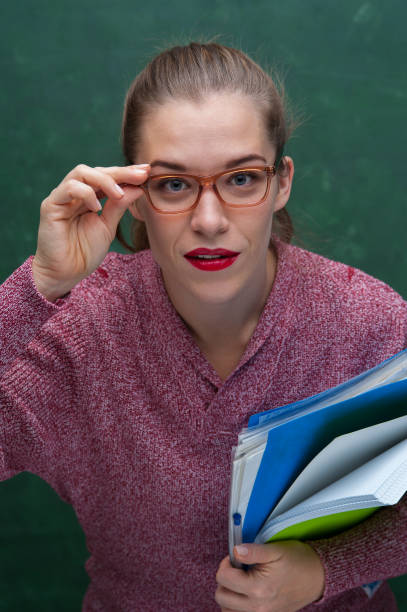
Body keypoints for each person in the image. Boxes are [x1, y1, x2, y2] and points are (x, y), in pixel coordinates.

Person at [1, 41, 406, 612]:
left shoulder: (370, 324)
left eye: (241, 179)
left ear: (281, 182)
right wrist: (39, 283)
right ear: (133, 197)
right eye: (173, 185)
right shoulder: (78, 333)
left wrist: (325, 568)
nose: (209, 220)